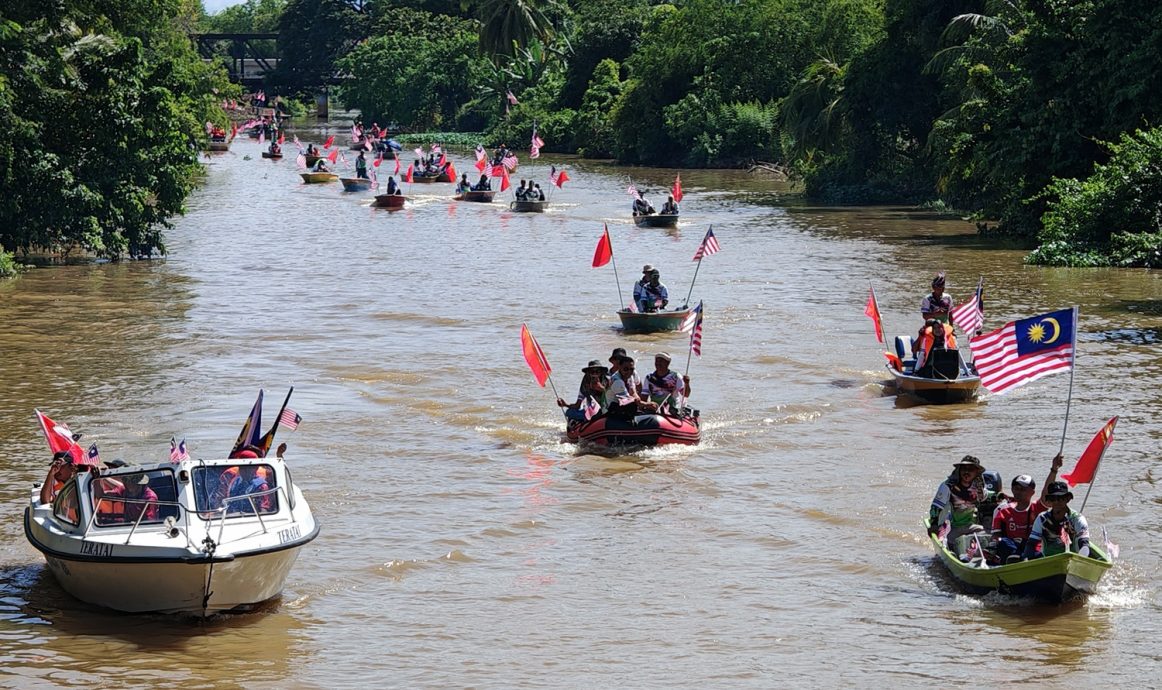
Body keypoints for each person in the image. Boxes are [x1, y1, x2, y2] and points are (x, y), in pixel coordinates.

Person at [992, 453, 1063, 563]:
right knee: (1002, 543)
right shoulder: (1003, 511)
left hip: (1033, 549)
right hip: (1012, 549)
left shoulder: (1037, 508)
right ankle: (1015, 560)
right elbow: (996, 536)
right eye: (1016, 488)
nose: (1019, 492)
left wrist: (1054, 469)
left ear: (1032, 492)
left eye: (1023, 489)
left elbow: (1046, 493)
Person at [928, 455, 993, 556]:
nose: (966, 472)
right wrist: (933, 525)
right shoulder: (947, 486)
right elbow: (935, 508)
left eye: (971, 469)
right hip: (950, 528)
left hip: (970, 526)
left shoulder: (978, 488)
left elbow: (986, 496)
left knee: (989, 537)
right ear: (959, 470)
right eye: (964, 469)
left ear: (977, 472)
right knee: (953, 547)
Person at [1022, 479, 1093, 560]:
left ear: (1068, 499)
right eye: (1053, 499)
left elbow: (1084, 544)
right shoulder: (1042, 519)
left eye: (1060, 498)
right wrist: (1026, 559)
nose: (1056, 502)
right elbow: (1031, 544)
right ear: (1049, 501)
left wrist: (1079, 562)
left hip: (1073, 560)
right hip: (1049, 561)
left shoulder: (1077, 519)